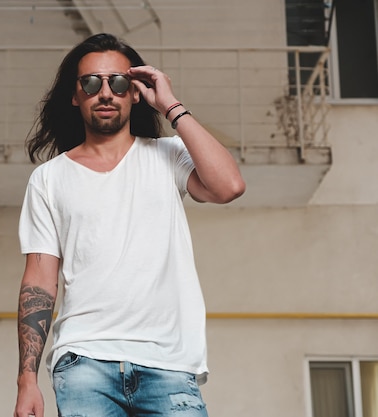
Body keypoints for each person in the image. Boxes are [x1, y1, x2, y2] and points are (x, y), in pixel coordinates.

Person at [14, 33, 245, 417]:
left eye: (118, 82)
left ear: (135, 92)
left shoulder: (169, 154)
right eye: (91, 82)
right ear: (75, 95)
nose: (105, 92)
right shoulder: (49, 179)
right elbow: (38, 280)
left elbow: (229, 187)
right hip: (84, 362)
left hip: (170, 365)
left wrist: (171, 104)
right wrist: (26, 380)